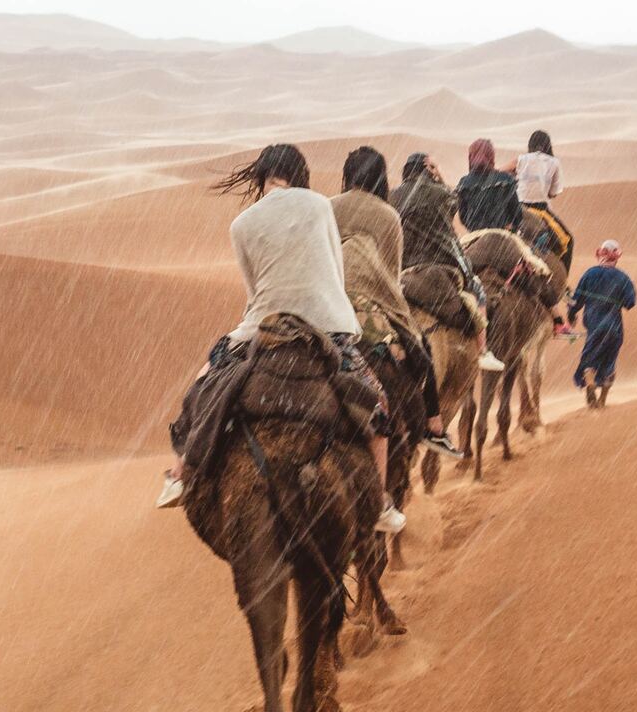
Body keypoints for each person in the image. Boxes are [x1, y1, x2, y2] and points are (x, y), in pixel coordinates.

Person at [158, 143, 411, 533]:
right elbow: (333, 267)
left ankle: (179, 472)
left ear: (262, 177)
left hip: (264, 322)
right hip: (326, 324)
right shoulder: (319, 205)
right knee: (377, 407)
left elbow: (253, 287)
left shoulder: (241, 224)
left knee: (205, 383)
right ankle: (377, 502)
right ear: (300, 172)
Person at [333, 146, 467, 460]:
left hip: (329, 298)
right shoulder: (387, 214)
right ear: (379, 176)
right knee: (422, 350)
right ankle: (433, 426)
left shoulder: (328, 207)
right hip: (373, 302)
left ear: (347, 174)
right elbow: (391, 274)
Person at [396, 151, 508, 374]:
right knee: (478, 291)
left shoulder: (394, 196)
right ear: (427, 170)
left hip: (404, 268)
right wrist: (439, 176)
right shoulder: (441, 193)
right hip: (441, 263)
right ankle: (483, 349)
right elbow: (455, 202)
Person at [569, 239, 637, 403]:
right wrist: (617, 299)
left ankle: (590, 381)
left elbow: (576, 300)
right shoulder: (623, 278)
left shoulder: (589, 274)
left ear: (599, 254)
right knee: (610, 361)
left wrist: (572, 315)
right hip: (614, 327)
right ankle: (602, 400)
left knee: (589, 360)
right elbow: (630, 303)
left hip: (594, 325)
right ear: (617, 257)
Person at [514, 129, 573, 268]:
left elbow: (500, 171)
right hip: (540, 211)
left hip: (518, 210)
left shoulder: (521, 159)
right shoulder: (554, 162)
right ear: (548, 145)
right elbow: (553, 193)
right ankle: (563, 285)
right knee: (568, 242)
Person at [455, 137, 521, 232]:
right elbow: (517, 215)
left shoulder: (464, 182)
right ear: (491, 157)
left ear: (471, 157)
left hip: (475, 234)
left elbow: (463, 217)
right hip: (502, 234)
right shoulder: (505, 179)